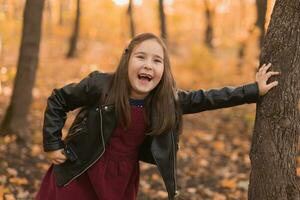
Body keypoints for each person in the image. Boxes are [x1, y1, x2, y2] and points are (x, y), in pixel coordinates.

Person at [35, 32, 280, 200]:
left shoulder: (165, 100)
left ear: (163, 70)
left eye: (157, 61)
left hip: (120, 178)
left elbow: (209, 98)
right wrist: (52, 143)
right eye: (141, 57)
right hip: (82, 169)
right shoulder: (101, 85)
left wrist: (252, 90)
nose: (148, 65)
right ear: (127, 59)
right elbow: (59, 99)